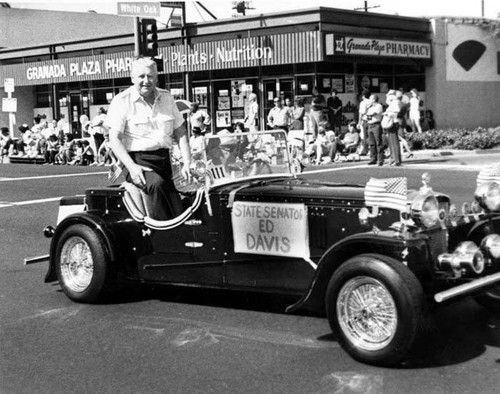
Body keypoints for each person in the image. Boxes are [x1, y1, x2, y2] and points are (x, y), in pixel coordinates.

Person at [105, 56, 191, 221]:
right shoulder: (122, 101)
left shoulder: (167, 97)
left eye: (150, 76)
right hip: (138, 162)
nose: (146, 81)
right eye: (141, 76)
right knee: (158, 186)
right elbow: (114, 139)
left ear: (157, 78)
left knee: (198, 187)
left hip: (167, 161)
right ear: (132, 78)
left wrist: (187, 162)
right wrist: (132, 167)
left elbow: (181, 132)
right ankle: (165, 236)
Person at [365, 94, 384, 166]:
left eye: (370, 99)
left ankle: (380, 159)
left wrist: (368, 114)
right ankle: (373, 158)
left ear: (374, 99)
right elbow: (366, 114)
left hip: (376, 125)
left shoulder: (379, 106)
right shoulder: (370, 107)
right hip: (370, 125)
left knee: (378, 142)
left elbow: (373, 114)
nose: (369, 100)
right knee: (372, 143)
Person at [356, 89, 371, 155]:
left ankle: (365, 150)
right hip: (371, 120)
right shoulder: (371, 101)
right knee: (371, 135)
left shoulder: (363, 102)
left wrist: (359, 123)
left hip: (365, 120)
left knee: (365, 136)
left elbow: (361, 113)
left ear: (363, 95)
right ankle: (371, 149)